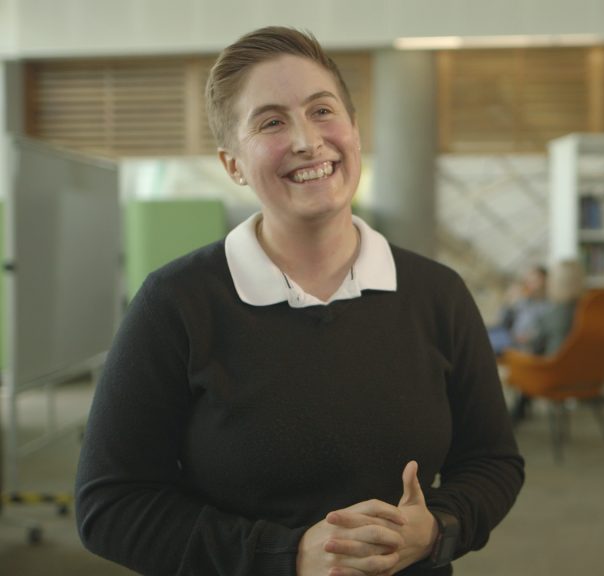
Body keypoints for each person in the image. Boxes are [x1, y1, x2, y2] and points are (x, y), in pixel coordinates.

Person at [75, 27, 524, 576]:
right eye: (271, 122)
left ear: (355, 131)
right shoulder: (175, 303)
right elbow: (110, 506)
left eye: (322, 111)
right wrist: (287, 557)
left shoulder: (438, 294)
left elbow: (492, 462)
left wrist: (437, 528)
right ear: (233, 164)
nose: (308, 141)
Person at [487, 265, 548, 356]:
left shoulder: (547, 306)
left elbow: (541, 333)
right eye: (528, 281)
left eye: (534, 281)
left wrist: (527, 338)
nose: (530, 284)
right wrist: (509, 303)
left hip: (520, 344)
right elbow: (502, 320)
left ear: (545, 282)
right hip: (507, 334)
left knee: (482, 345)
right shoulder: (525, 300)